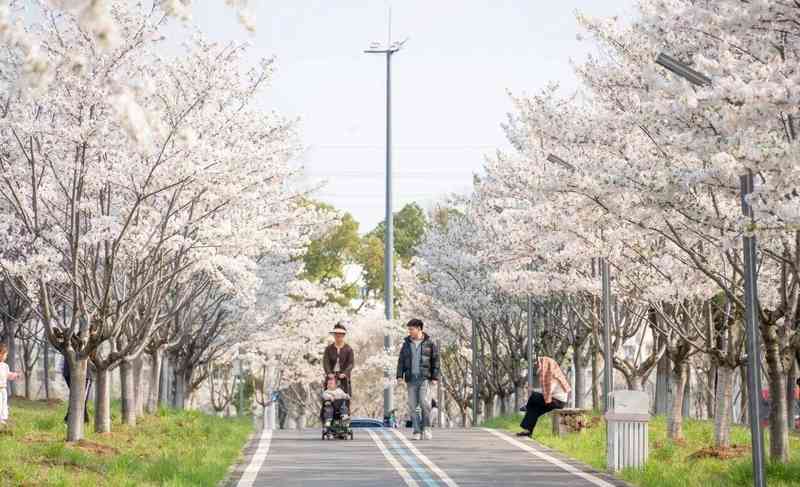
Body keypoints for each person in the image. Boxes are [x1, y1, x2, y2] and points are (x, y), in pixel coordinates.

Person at [396, 318, 440, 440]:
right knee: (412, 405)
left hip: (424, 378)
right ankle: (417, 431)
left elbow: (436, 361)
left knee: (424, 403)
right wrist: (399, 376)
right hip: (410, 379)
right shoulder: (406, 344)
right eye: (409, 329)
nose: (409, 331)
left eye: (411, 329)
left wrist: (435, 377)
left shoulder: (429, 343)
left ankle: (426, 428)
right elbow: (401, 361)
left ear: (419, 329)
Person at [517, 356, 571, 438]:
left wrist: (535, 392)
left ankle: (527, 407)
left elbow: (549, 391)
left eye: (541, 364)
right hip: (554, 400)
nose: (540, 366)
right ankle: (528, 431)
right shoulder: (551, 375)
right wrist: (534, 390)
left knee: (534, 396)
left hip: (557, 402)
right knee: (534, 408)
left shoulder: (553, 376)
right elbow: (546, 391)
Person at [323, 323, 354, 396]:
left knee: (344, 397)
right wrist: (329, 373)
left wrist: (345, 373)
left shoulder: (348, 349)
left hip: (343, 377)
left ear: (343, 336)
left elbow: (351, 363)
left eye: (340, 335)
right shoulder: (328, 349)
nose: (338, 337)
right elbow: (326, 362)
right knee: (328, 396)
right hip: (331, 377)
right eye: (336, 335)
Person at [61, 353, 92, 424]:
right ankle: (81, 421)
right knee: (81, 399)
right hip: (82, 373)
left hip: (69, 371)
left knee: (77, 397)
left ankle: (72, 420)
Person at [0, 343, 20, 425]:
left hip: (3, 389)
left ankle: (3, 418)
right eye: (5, 355)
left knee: (4, 403)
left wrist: (15, 375)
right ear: (0, 354)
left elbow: (8, 375)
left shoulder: (5, 366)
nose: (6, 356)